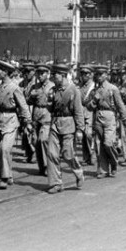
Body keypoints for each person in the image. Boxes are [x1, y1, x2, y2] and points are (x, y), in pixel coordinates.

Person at [46, 63, 85, 194]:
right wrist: (49, 102)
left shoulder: (73, 90)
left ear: (62, 75)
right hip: (55, 123)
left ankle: (78, 172)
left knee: (68, 154)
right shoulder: (53, 90)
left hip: (69, 124)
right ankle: (56, 183)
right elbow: (50, 109)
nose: (53, 77)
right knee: (51, 153)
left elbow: (78, 111)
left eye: (55, 75)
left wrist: (80, 129)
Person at [0, 60, 32, 189]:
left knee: (4, 149)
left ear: (7, 72)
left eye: (1, 70)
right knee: (1, 150)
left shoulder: (14, 87)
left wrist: (28, 121)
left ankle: (3, 178)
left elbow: (23, 105)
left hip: (10, 120)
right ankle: (7, 175)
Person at [88, 65, 126, 178]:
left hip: (110, 116)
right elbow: (89, 107)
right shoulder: (95, 90)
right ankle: (104, 170)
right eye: (97, 74)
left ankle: (114, 163)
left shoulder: (113, 88)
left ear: (106, 75)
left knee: (108, 143)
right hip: (98, 117)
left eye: (101, 74)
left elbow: (120, 104)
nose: (99, 77)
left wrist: (124, 118)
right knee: (99, 145)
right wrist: (94, 100)